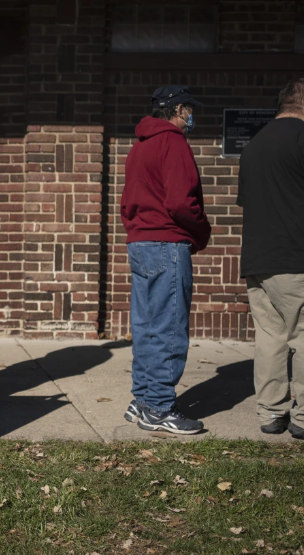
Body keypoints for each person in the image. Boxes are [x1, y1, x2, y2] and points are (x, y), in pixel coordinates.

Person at [121, 85, 211, 434]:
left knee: (146, 327)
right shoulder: (173, 142)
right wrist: (201, 231)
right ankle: (159, 407)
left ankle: (143, 400)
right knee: (169, 328)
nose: (191, 115)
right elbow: (180, 202)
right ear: (177, 109)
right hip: (167, 242)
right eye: (189, 109)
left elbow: (128, 201)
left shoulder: (139, 145)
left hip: (141, 242)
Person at [237, 78, 304, 440]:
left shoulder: (254, 146)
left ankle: (271, 412)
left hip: (258, 259)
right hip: (296, 258)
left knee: (269, 337)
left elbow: (248, 202)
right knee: (302, 337)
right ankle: (303, 418)